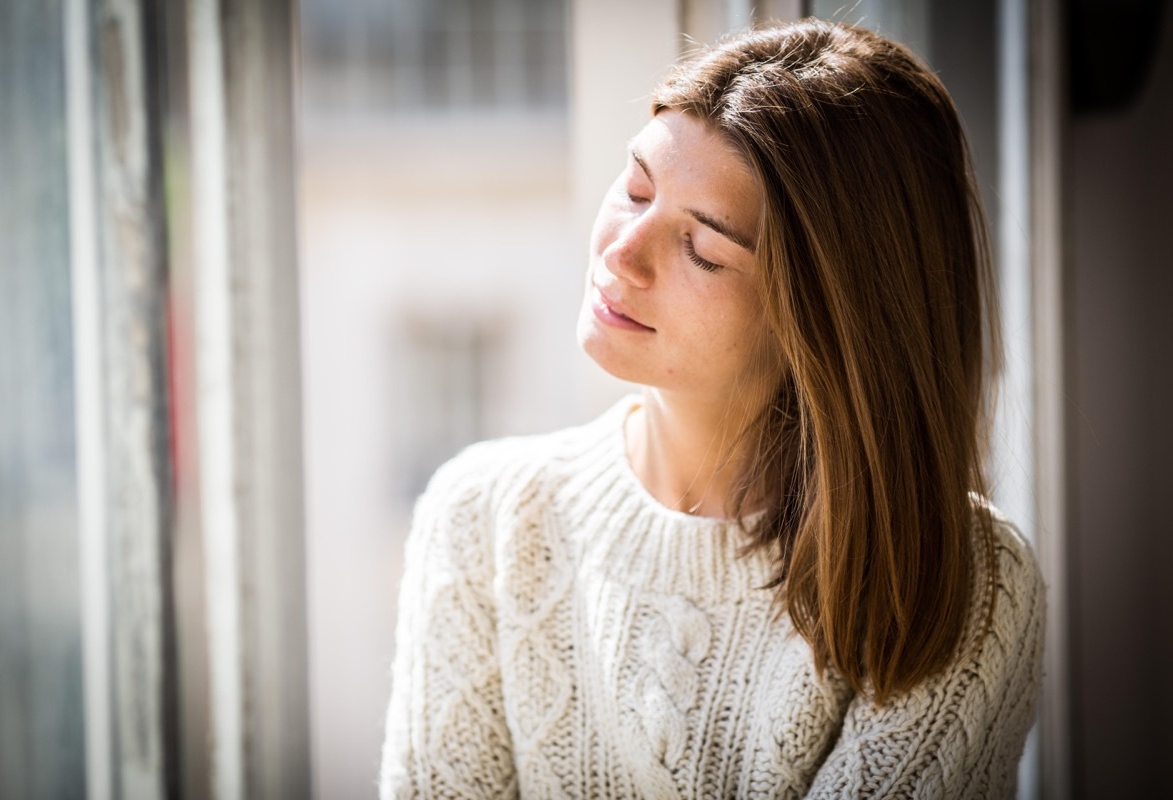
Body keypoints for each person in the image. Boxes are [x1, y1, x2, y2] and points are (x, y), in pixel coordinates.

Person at [380, 18, 1044, 799]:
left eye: (704, 250)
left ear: (830, 321)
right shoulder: (483, 517)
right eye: (634, 189)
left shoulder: (963, 583)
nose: (621, 252)